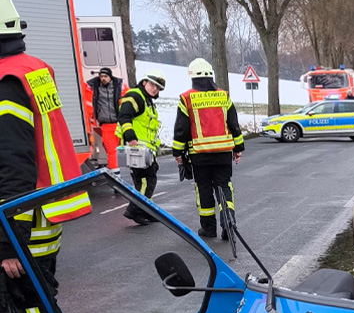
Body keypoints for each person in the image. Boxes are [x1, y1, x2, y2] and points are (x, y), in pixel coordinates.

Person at [0, 0, 91, 313]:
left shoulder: (4, 82)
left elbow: (11, 164)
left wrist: (6, 242)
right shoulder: (32, 69)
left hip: (18, 219)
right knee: (40, 304)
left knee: (22, 309)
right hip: (41, 213)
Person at [173, 58, 243, 239]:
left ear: (192, 78)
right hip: (223, 154)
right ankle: (229, 223)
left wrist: (178, 153)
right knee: (224, 186)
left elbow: (181, 129)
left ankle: (209, 228)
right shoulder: (223, 96)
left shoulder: (186, 98)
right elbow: (233, 123)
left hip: (199, 155)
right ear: (211, 75)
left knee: (203, 189)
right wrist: (238, 148)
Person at [118, 69, 168, 225]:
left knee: (147, 179)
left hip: (144, 149)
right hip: (136, 147)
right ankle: (134, 211)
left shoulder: (146, 100)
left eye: (158, 88)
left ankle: (148, 210)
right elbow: (124, 116)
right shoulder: (135, 96)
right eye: (153, 85)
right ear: (144, 82)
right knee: (146, 181)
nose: (155, 89)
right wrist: (130, 137)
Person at [85, 66, 123, 182]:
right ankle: (116, 177)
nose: (103, 79)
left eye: (105, 76)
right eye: (101, 76)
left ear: (110, 77)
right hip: (106, 124)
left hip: (119, 123)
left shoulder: (120, 86)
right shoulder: (92, 87)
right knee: (112, 151)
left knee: (120, 151)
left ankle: (117, 176)